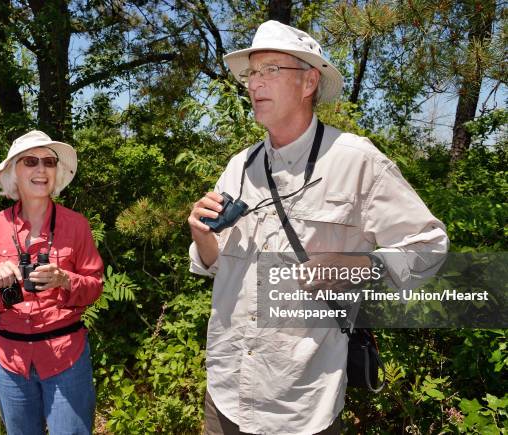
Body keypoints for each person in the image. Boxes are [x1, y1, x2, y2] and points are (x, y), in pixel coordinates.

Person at [188, 20, 448, 435]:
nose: (255, 84)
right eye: (252, 73)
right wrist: (202, 237)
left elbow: (429, 246)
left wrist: (358, 263)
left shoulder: (356, 161)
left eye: (270, 70)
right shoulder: (240, 166)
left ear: (309, 81)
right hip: (227, 390)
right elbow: (219, 265)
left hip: (301, 402)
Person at [0, 130, 103, 435]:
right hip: (11, 362)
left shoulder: (76, 225)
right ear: (15, 171)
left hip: (66, 357)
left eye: (49, 162)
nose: (41, 169)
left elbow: (95, 285)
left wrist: (65, 279)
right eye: (31, 161)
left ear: (56, 172)